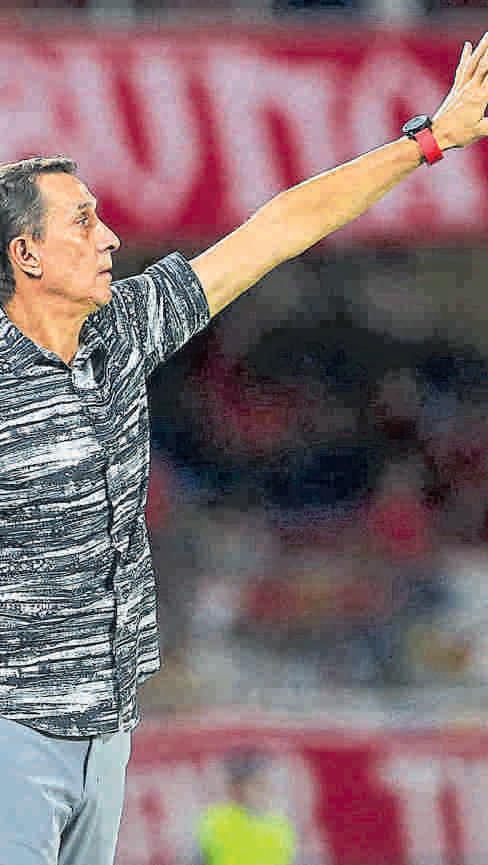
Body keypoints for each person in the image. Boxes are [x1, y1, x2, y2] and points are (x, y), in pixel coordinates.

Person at [0, 32, 487, 865]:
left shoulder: (127, 328)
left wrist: (428, 141)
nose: (110, 237)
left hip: (108, 730)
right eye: (83, 221)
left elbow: (279, 227)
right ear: (26, 254)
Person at [196, 748, 296, 865]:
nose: (263, 789)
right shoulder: (215, 822)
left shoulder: (282, 827)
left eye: (264, 783)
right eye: (256, 784)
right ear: (236, 787)